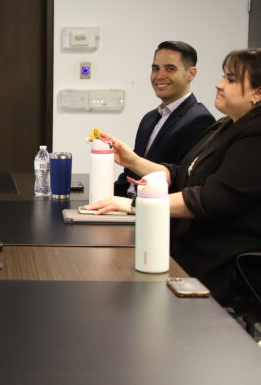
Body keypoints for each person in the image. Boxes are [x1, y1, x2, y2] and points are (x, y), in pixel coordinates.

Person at [88, 49, 261, 318]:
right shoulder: (226, 125)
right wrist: (132, 160)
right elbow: (183, 175)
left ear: (257, 94)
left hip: (218, 263)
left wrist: (136, 204)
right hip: (187, 248)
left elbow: (211, 200)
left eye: (230, 79)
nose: (219, 84)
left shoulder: (255, 135)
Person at [114, 40, 215, 195]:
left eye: (170, 69)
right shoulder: (149, 118)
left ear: (191, 74)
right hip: (129, 206)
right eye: (155, 68)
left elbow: (184, 182)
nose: (159, 76)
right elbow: (130, 173)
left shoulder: (200, 120)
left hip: (158, 211)